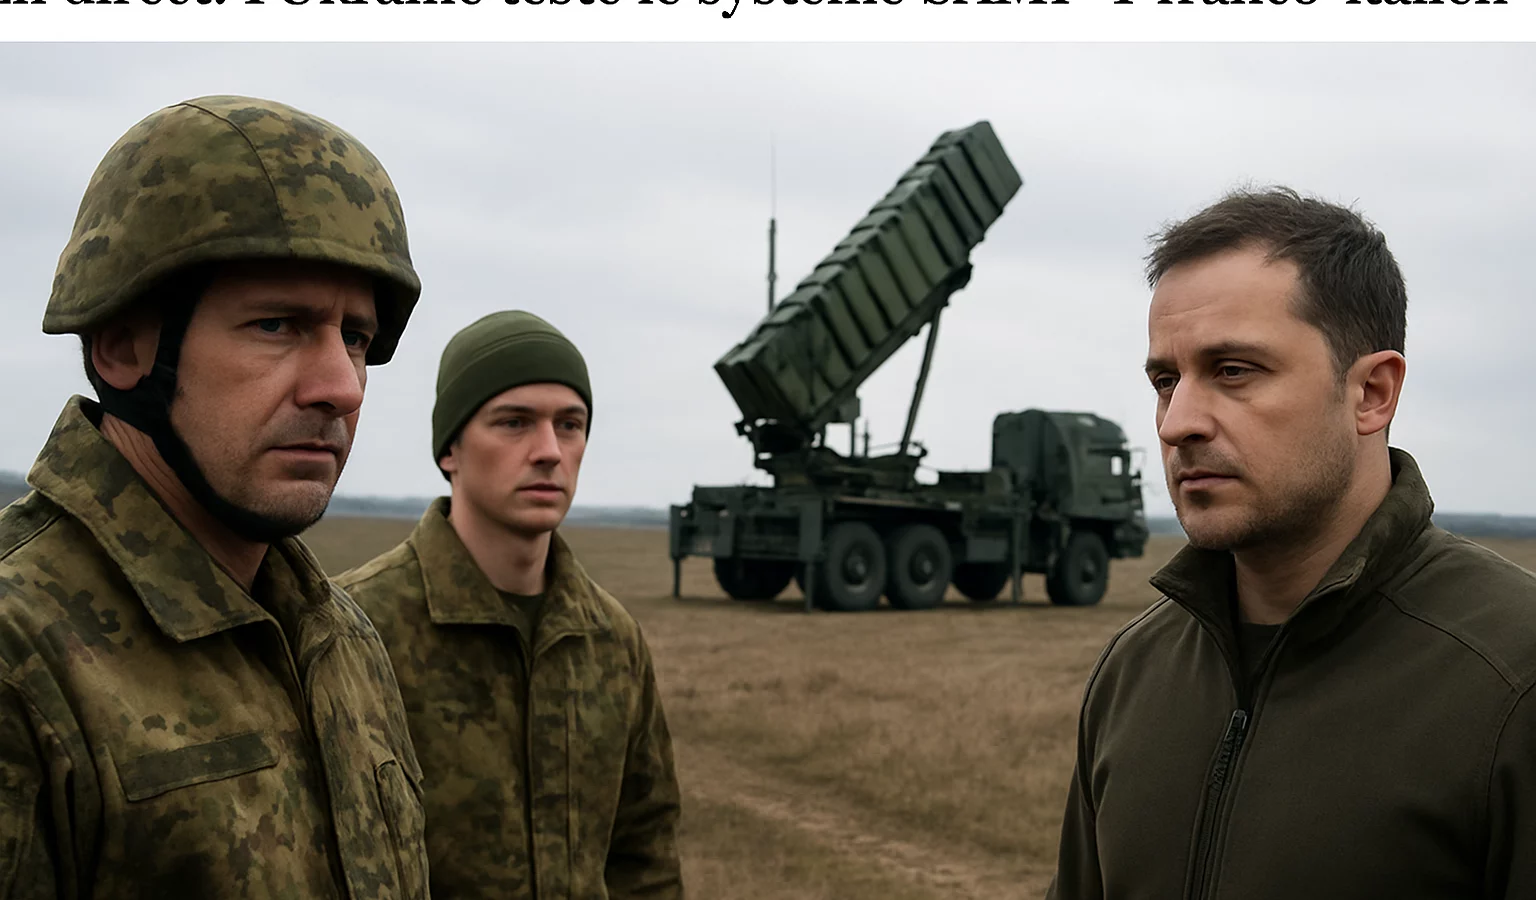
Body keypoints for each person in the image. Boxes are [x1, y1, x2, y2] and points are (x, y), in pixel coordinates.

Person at [1047, 186, 1536, 899]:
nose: (1177, 422)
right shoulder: (1135, 669)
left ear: (1372, 393)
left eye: (1233, 371)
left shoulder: (1514, 674)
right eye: (1165, 380)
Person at [0, 95, 431, 898]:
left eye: (356, 337)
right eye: (277, 325)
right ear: (123, 346)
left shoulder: (340, 641)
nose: (342, 387)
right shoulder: (19, 657)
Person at [336, 310, 683, 899]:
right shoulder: (356, 630)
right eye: (514, 422)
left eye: (569, 425)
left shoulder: (610, 637)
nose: (549, 451)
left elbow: (645, 853)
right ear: (450, 448)